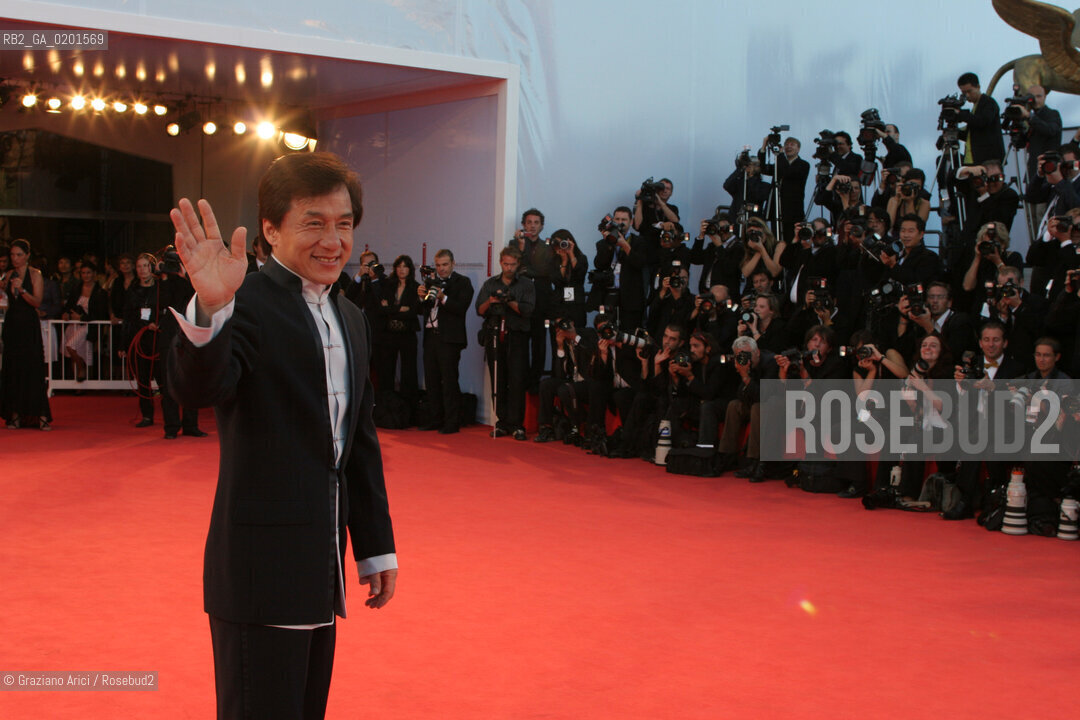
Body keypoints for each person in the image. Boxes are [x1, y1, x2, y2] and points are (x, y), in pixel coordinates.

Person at [167, 152, 397, 720]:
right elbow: (198, 388)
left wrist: (374, 548)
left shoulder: (352, 317)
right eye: (313, 222)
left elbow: (357, 443)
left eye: (344, 224)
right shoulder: (243, 302)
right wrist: (213, 305)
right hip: (259, 575)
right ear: (270, 229)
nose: (333, 240)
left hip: (322, 572)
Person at [475, 245, 536, 440]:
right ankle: (501, 422)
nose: (509, 268)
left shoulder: (526, 284)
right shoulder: (491, 283)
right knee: (498, 379)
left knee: (517, 380)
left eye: (512, 265)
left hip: (517, 336)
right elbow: (479, 310)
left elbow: (527, 311)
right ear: (501, 263)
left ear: (518, 264)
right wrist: (492, 300)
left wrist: (509, 301)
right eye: (506, 264)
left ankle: (517, 424)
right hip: (494, 335)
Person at [417, 249, 474, 434]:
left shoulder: (463, 282)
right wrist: (420, 296)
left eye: (445, 265)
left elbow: (461, 308)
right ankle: (435, 418)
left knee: (449, 380)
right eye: (438, 265)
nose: (441, 269)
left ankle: (452, 421)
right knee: (431, 381)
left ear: (453, 264)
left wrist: (443, 297)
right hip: (430, 336)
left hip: (449, 339)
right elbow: (422, 309)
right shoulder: (430, 282)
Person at [1, 239, 52, 430]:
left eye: (19, 255)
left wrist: (21, 289)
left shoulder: (35, 274)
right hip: (12, 325)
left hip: (29, 325)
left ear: (27, 255)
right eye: (12, 255)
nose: (15, 259)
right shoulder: (7, 274)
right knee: (13, 369)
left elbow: (37, 302)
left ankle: (40, 414)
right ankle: (14, 414)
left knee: (32, 368)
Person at [377, 254, 420, 408]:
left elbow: (414, 312)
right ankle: (385, 405)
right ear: (395, 268)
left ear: (410, 269)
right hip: (388, 334)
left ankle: (408, 407)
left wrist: (390, 309)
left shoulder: (416, 287)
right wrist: (399, 308)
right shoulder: (388, 285)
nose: (402, 270)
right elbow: (381, 310)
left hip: (407, 334)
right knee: (386, 370)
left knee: (409, 371)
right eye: (399, 266)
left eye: (405, 266)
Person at [61, 261, 109, 382]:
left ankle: (82, 370)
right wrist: (66, 313)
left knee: (71, 346)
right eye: (83, 273)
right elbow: (69, 305)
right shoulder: (76, 289)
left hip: (88, 326)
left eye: (88, 273)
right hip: (74, 325)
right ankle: (77, 384)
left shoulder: (100, 293)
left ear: (94, 274)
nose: (86, 275)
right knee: (73, 352)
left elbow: (101, 314)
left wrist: (82, 318)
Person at [956, 72, 1006, 166]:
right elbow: (973, 134)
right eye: (963, 93)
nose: (967, 95)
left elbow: (982, 121)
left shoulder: (989, 103)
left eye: (969, 91)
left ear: (978, 87)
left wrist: (960, 114)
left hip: (988, 160)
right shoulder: (975, 107)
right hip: (972, 159)